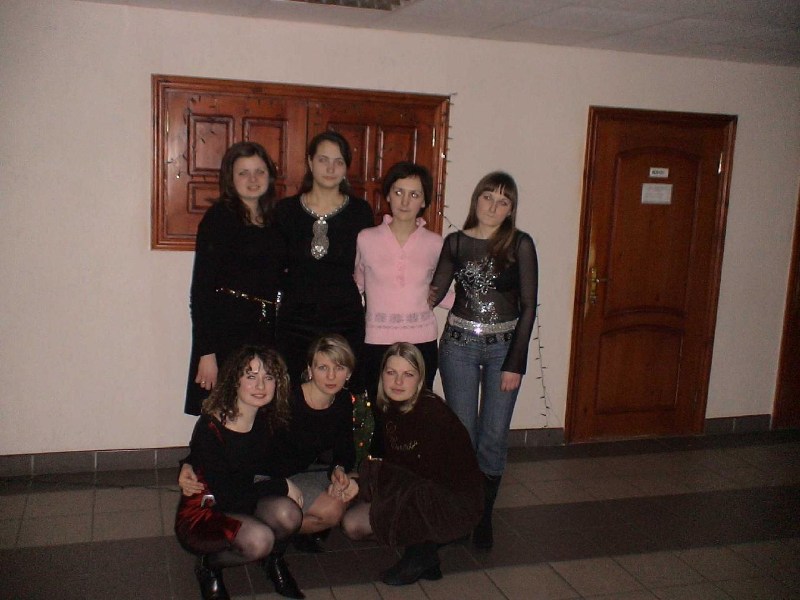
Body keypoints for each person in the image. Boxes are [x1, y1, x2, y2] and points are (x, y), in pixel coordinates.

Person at [428, 171, 538, 549]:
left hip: (503, 349)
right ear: (476, 198)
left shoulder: (520, 244)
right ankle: (464, 513)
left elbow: (528, 307)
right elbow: (434, 291)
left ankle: (484, 516)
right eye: (488, 197)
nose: (493, 206)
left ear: (511, 209)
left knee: (493, 436)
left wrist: (515, 363)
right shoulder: (456, 242)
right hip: (458, 346)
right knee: (463, 435)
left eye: (503, 201)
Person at [180, 335, 359, 553]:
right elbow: (224, 437)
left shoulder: (343, 401)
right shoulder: (283, 399)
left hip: (295, 473)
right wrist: (190, 462)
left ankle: (280, 534)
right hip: (263, 477)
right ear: (310, 369)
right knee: (286, 516)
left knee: (335, 507)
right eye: (322, 367)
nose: (331, 376)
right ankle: (269, 537)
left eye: (339, 368)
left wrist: (339, 469)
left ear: (349, 372)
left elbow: (345, 448)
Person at [341, 343, 483, 586]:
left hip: (452, 504)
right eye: (391, 372)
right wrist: (362, 478)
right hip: (420, 494)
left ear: (420, 380)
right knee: (353, 520)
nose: (398, 381)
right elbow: (398, 466)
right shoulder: (392, 408)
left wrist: (366, 479)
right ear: (382, 375)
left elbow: (419, 479)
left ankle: (422, 551)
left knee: (355, 523)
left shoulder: (431, 414)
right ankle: (428, 552)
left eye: (408, 374)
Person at [175, 346, 306, 600]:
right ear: (235, 380)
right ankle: (209, 566)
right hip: (207, 511)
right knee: (259, 540)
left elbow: (281, 464)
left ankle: (273, 561)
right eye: (251, 376)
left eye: (269, 377)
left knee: (289, 514)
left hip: (243, 498)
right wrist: (281, 486)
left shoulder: (266, 418)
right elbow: (228, 497)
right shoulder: (211, 427)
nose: (261, 385)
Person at [184, 142, 285, 415]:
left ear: (269, 176)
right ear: (230, 178)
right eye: (243, 173)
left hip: (265, 327)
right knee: (224, 411)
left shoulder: (277, 219)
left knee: (261, 409)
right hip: (227, 328)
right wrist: (207, 353)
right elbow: (201, 291)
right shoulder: (218, 218)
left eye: (259, 171)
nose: (253, 179)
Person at [271, 131, 374, 389]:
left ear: (346, 167)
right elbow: (274, 268)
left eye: (338, 162)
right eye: (323, 160)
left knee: (343, 393)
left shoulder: (360, 212)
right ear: (310, 162)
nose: (330, 168)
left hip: (344, 318)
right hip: (295, 319)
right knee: (292, 392)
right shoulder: (285, 211)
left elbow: (370, 267)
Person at [354, 161, 452, 403]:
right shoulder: (366, 238)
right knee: (378, 411)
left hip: (421, 340)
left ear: (424, 201)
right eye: (399, 192)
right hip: (377, 340)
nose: (405, 202)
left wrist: (478, 307)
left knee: (419, 411)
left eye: (414, 195)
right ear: (388, 195)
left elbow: (443, 293)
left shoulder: (435, 243)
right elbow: (357, 286)